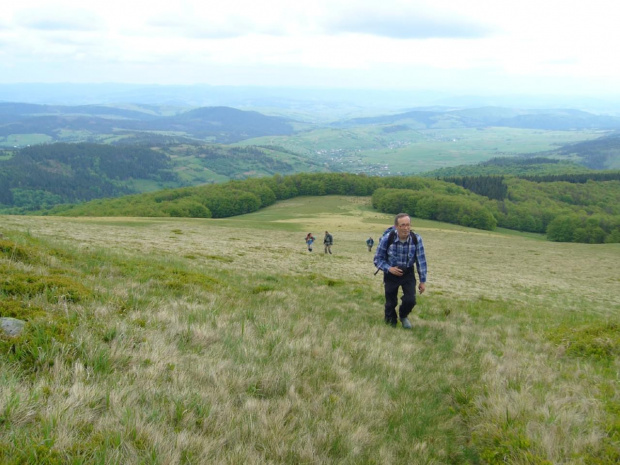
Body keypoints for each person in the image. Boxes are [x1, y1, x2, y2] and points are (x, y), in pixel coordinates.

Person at [373, 213, 427, 329]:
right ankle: (390, 324)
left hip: (408, 273)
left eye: (408, 225)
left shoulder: (416, 239)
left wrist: (422, 281)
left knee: (410, 300)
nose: (406, 228)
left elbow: (421, 261)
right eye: (402, 225)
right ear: (396, 226)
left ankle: (403, 315)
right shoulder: (387, 239)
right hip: (391, 274)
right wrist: (389, 269)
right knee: (390, 302)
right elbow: (378, 259)